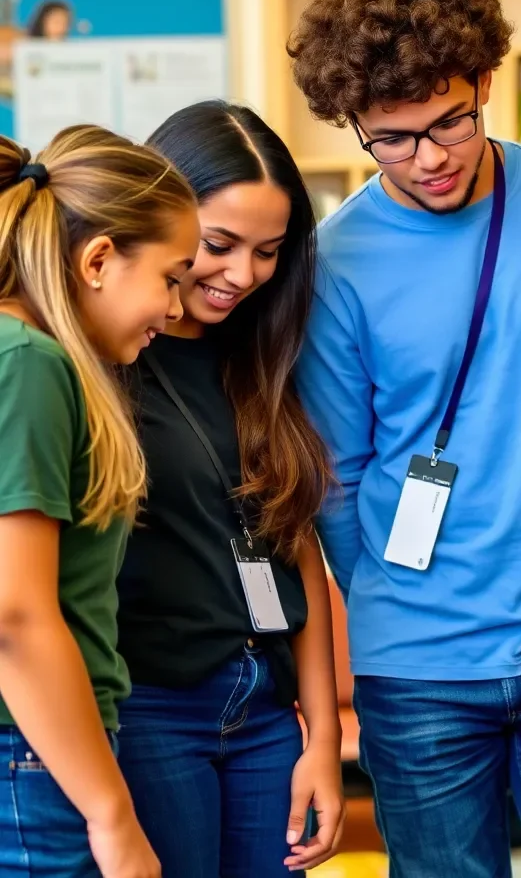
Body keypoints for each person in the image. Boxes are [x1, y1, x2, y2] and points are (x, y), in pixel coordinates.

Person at [287, 0, 521, 878]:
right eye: (393, 138)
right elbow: (340, 477)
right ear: (353, 126)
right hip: (417, 668)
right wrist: (398, 604)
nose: (430, 158)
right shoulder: (335, 262)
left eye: (450, 121)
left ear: (486, 80)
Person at [113, 101, 344, 878]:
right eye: (219, 245)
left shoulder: (261, 354)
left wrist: (320, 739)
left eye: (269, 251)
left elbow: (293, 545)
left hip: (264, 709)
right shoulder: (101, 361)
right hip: (150, 706)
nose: (242, 275)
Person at [0, 125, 200, 876]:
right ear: (97, 260)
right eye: (172, 277)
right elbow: (15, 617)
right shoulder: (29, 365)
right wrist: (113, 818)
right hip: (30, 757)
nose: (177, 308)